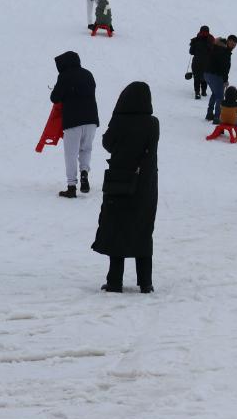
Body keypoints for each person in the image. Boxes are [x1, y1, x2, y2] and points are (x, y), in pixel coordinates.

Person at [92, 82, 158, 294]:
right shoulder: (152, 123)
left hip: (119, 182)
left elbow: (108, 144)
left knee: (117, 229)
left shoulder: (120, 121)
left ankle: (114, 281)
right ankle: (145, 282)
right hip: (145, 185)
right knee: (142, 230)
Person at [50, 51, 100, 198]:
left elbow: (55, 97)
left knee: (71, 154)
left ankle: (71, 187)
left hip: (73, 121)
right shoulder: (88, 74)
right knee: (86, 149)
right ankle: (84, 172)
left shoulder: (65, 76)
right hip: (91, 119)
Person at [204, 35, 237, 124]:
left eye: (235, 45)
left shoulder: (216, 47)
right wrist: (225, 80)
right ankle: (217, 117)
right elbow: (225, 68)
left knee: (215, 94)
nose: (233, 46)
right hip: (215, 75)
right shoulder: (224, 51)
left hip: (207, 74)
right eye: (231, 43)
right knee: (220, 96)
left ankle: (209, 114)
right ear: (227, 41)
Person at [189, 25, 215, 99]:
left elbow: (191, 52)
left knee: (196, 78)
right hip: (207, 62)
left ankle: (197, 93)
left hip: (196, 62)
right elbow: (213, 52)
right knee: (205, 77)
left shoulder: (196, 40)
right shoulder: (211, 40)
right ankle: (203, 91)